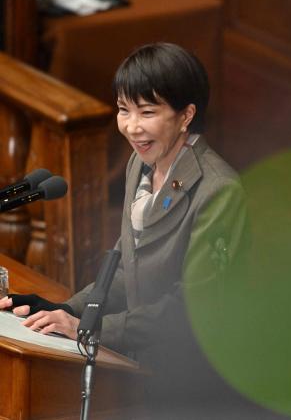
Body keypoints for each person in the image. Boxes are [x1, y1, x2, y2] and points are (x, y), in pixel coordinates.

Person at [0, 42, 247, 413]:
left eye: (146, 112)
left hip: (191, 384)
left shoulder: (219, 190)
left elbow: (192, 309)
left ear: (186, 116)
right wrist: (60, 312)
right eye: (122, 109)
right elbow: (124, 272)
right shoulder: (141, 163)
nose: (132, 127)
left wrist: (89, 329)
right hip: (140, 365)